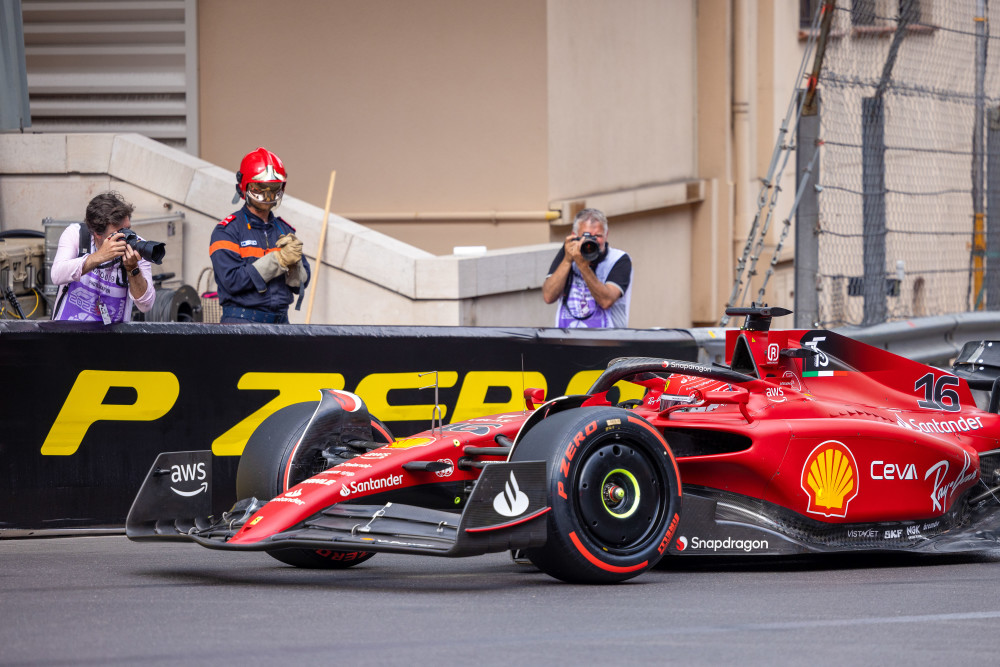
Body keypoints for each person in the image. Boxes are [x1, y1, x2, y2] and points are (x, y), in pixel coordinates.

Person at [210, 147, 310, 324]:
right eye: (261, 188)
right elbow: (232, 281)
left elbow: (301, 284)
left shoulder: (285, 230)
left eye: (273, 188)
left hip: (281, 322)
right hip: (241, 322)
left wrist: (295, 266)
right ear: (245, 187)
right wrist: (278, 260)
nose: (268, 194)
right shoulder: (227, 231)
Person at [50, 191, 155, 323]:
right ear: (97, 233)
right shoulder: (77, 234)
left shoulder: (137, 246)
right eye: (118, 233)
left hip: (113, 334)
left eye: (128, 229)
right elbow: (57, 275)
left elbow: (146, 305)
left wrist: (133, 269)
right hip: (67, 330)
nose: (126, 237)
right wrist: (100, 256)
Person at [542, 208, 632, 328]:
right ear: (574, 236)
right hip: (567, 337)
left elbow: (606, 301)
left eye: (598, 236)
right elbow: (548, 296)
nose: (591, 241)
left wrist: (583, 266)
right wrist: (567, 260)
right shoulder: (569, 252)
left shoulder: (618, 259)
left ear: (606, 235)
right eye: (586, 235)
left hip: (607, 338)